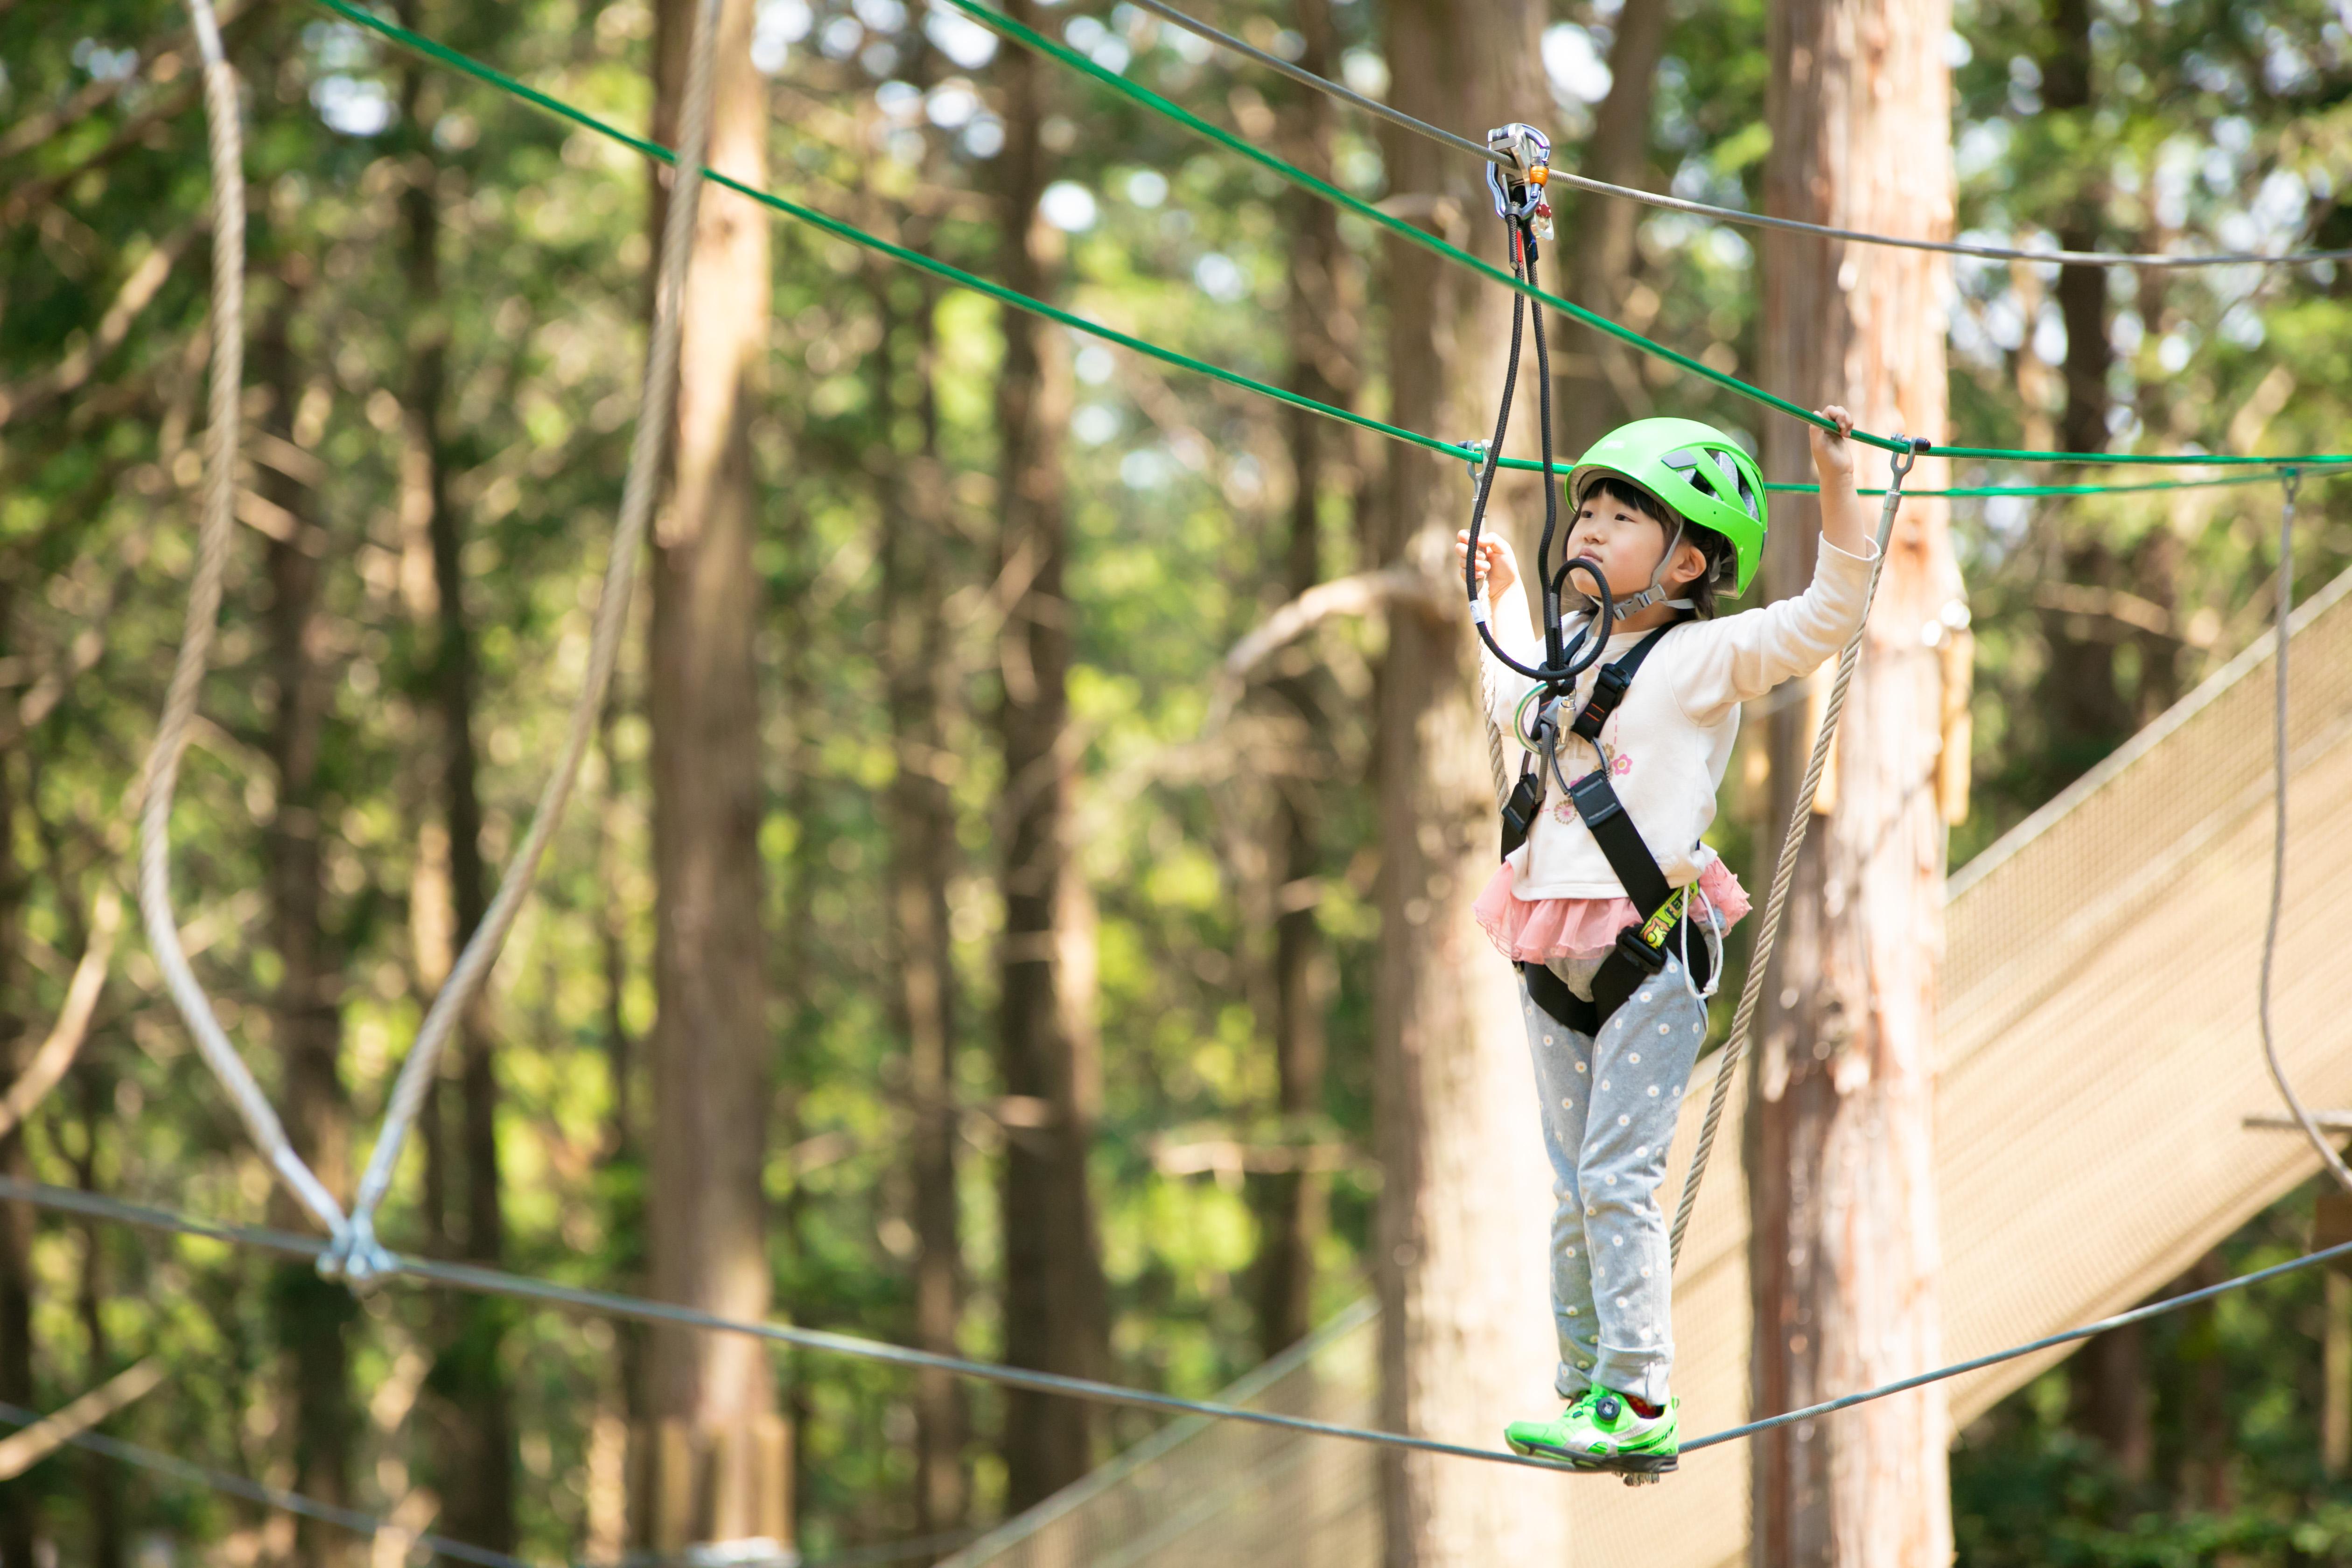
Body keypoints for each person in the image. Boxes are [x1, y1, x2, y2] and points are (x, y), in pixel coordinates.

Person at [1456, 406, 1877, 1472]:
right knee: (1571, 1186)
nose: (1590, 528)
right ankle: (1586, 1385)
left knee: (1614, 1175)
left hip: (1646, 948)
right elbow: (1508, 698)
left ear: (1687, 560)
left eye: (1622, 516)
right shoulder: (1560, 654)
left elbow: (1828, 616)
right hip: (1548, 950)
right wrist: (1495, 592)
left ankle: (1639, 1394)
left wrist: (1840, 484)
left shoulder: (1700, 658)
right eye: (1587, 512)